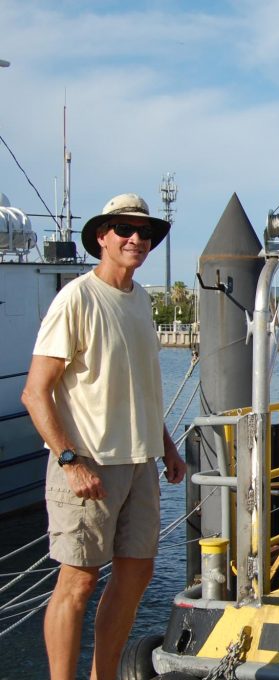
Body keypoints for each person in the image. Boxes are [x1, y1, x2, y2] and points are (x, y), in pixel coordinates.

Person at [21, 193, 187, 680]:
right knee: (78, 580)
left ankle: (104, 675)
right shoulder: (76, 297)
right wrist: (70, 461)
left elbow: (138, 386)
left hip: (141, 461)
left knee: (137, 573)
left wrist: (167, 446)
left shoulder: (140, 301)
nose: (137, 239)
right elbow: (35, 393)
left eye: (146, 233)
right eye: (124, 230)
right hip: (88, 460)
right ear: (102, 237)